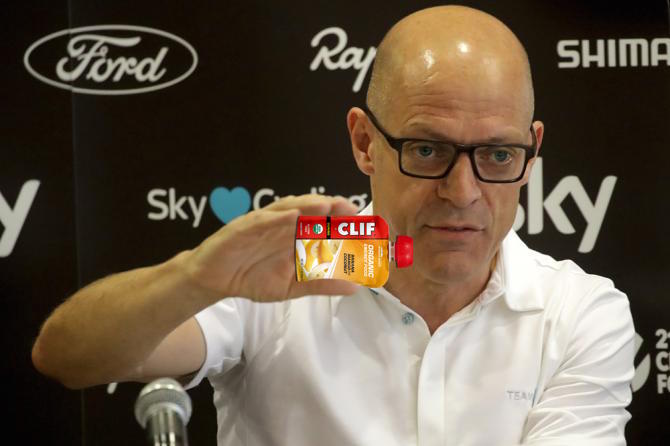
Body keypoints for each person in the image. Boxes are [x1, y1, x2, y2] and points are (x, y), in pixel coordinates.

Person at [32, 5, 635, 445]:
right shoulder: (297, 265)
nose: (462, 192)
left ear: (532, 150)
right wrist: (196, 277)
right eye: (427, 150)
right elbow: (67, 356)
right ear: (365, 142)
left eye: (498, 155)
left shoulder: (577, 311)